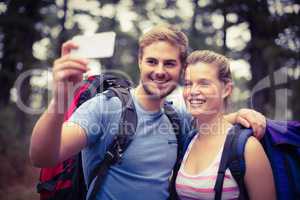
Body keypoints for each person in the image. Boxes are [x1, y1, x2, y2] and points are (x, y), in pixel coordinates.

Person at [29, 25, 266, 200]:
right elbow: (43, 156)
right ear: (140, 62)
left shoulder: (176, 118)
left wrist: (236, 116)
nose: (160, 71)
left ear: (181, 68)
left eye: (169, 63)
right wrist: (60, 98)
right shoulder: (106, 108)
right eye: (152, 61)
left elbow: (208, 128)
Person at [175, 50, 276, 200]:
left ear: (226, 89)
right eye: (188, 84)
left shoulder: (248, 148)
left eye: (204, 83)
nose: (193, 91)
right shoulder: (189, 141)